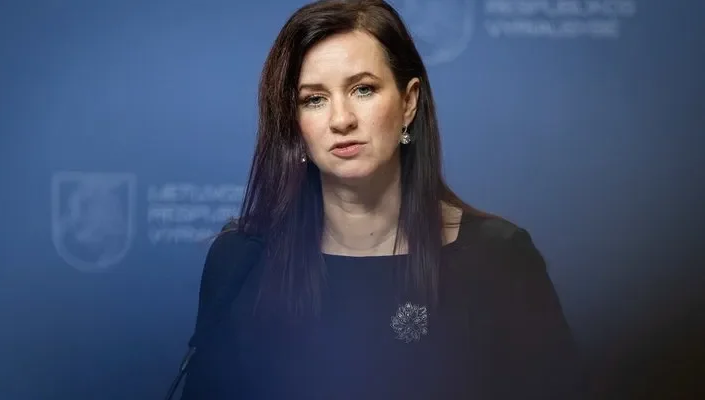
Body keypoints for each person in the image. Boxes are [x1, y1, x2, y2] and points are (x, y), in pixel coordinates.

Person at [181, 0, 586, 398]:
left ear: (409, 102)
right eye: (314, 99)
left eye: (363, 89)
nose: (342, 120)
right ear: (293, 122)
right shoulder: (240, 261)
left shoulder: (499, 258)